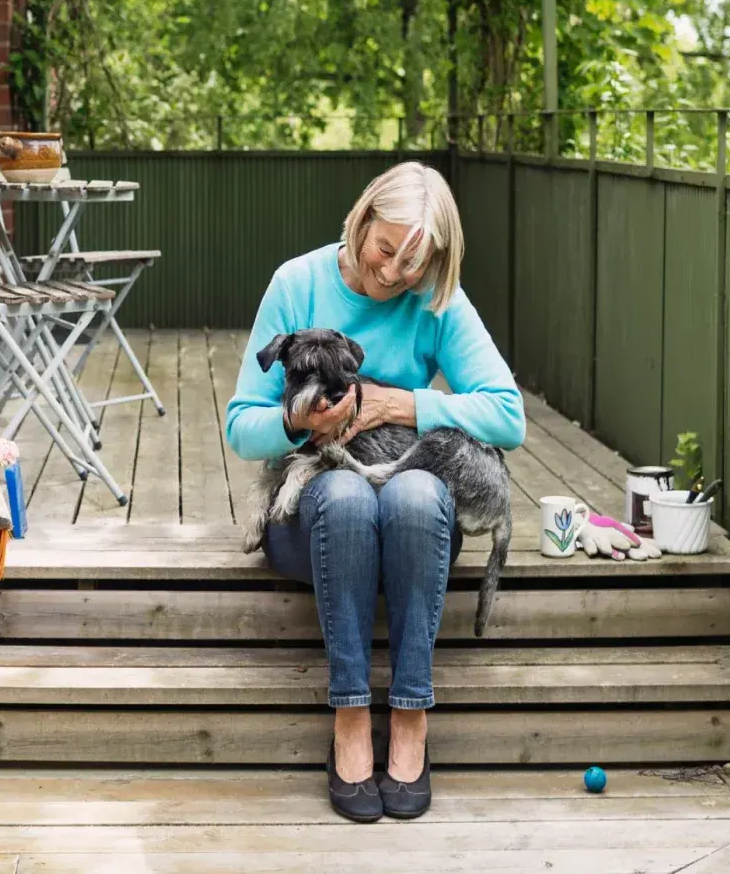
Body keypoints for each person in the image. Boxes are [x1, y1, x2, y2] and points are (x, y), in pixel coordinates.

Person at [225, 161, 525, 823]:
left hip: (411, 527)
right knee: (348, 498)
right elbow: (241, 427)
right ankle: (353, 714)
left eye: (413, 264)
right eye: (385, 249)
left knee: (416, 495)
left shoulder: (438, 301)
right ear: (362, 220)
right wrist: (293, 420)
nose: (392, 273)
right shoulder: (297, 284)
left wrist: (403, 404)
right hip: (313, 524)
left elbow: (509, 414)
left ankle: (412, 712)